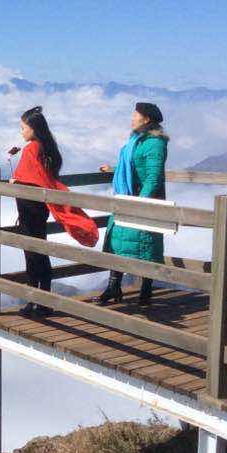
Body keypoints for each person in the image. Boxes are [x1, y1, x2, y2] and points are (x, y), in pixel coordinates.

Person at [7, 106, 99, 318]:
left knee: (31, 252)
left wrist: (15, 181)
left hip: (29, 207)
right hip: (42, 207)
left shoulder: (31, 148)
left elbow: (31, 177)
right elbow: (44, 177)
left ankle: (33, 301)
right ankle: (44, 300)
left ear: (33, 128)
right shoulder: (48, 147)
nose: (21, 132)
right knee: (42, 250)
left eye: (23, 128)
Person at [96, 102, 169, 305]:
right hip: (128, 199)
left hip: (144, 202)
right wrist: (113, 169)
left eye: (135, 115)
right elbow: (133, 165)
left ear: (146, 119)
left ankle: (146, 292)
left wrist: (140, 203)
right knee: (117, 241)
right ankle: (113, 286)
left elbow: (153, 177)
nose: (132, 119)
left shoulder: (155, 143)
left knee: (146, 247)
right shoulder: (137, 140)